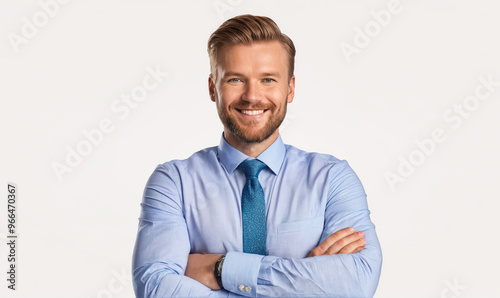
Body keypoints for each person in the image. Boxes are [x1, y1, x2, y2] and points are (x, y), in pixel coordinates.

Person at [132, 14, 382, 297]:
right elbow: (155, 289)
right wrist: (305, 281)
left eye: (268, 80)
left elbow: (356, 284)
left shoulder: (333, 179)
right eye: (236, 79)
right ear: (213, 88)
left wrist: (220, 268)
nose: (252, 96)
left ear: (290, 88)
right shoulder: (173, 182)